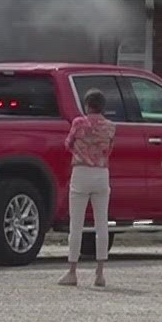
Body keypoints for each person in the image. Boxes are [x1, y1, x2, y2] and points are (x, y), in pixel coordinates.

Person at [61, 87, 117, 288]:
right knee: (101, 224)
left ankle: (72, 271)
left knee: (76, 224)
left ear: (87, 105)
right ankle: (100, 273)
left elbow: (68, 144)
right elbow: (109, 149)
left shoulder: (79, 123)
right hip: (101, 173)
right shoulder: (110, 126)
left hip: (81, 172)